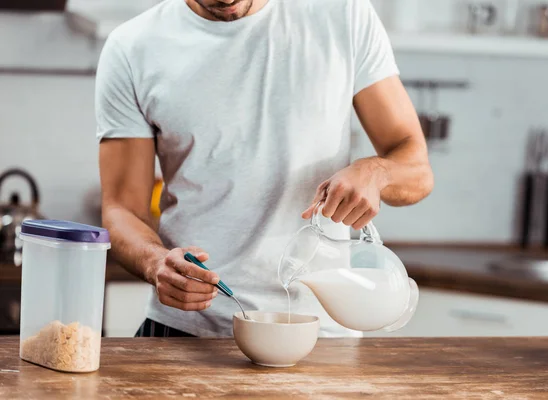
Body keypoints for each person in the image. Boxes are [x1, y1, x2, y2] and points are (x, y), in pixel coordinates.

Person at [96, 0, 433, 338]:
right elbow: (122, 208)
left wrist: (376, 173)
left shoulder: (343, 14)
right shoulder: (133, 46)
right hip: (187, 329)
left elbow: (416, 170)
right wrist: (155, 263)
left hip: (321, 334)